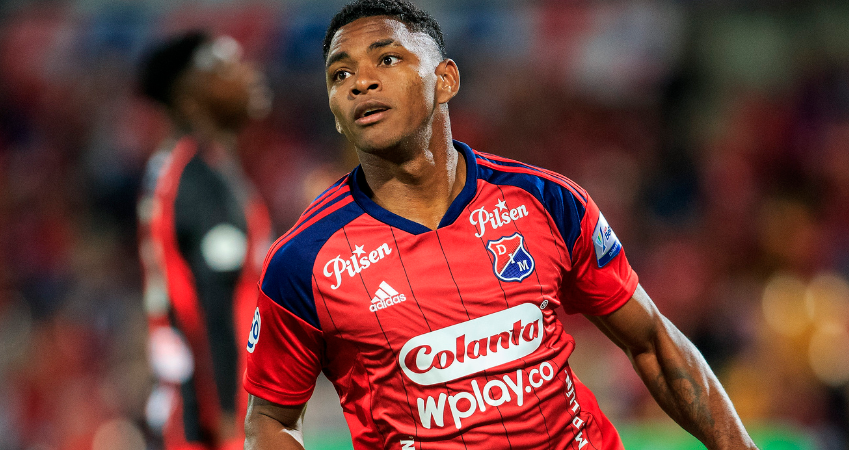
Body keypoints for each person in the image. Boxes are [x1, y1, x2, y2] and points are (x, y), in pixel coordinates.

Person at [241, 1, 758, 449]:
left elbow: (651, 341)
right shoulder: (303, 261)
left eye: (388, 58)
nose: (361, 83)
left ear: (445, 80)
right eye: (340, 75)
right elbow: (270, 417)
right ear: (334, 111)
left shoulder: (545, 201)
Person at [136, 30, 272, 450]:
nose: (248, 73)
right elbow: (210, 304)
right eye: (225, 64)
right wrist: (231, 422)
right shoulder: (198, 179)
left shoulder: (193, 167)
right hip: (210, 423)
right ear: (189, 96)